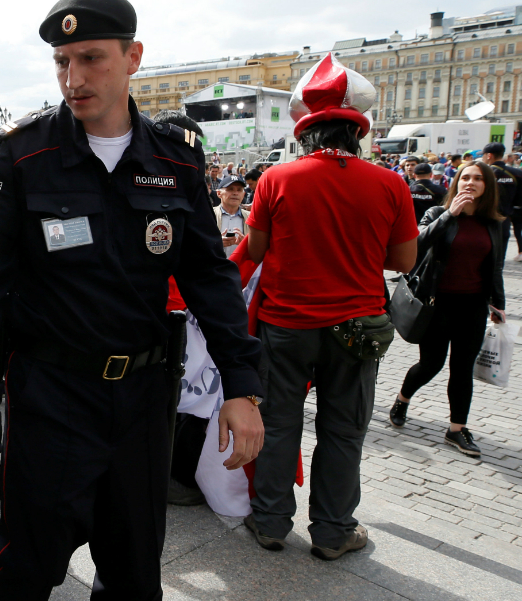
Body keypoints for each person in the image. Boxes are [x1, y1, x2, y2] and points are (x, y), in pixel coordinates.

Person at [0, 0, 265, 600]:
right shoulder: (22, 154)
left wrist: (243, 386)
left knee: (134, 571)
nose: (74, 78)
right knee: (24, 569)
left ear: (133, 56)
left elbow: (211, 279)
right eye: (62, 62)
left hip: (144, 402)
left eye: (91, 58)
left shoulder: (178, 160)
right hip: (50, 397)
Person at [244, 54, 417, 561]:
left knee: (279, 424)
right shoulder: (391, 183)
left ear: (306, 134)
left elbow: (255, 250)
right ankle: (333, 530)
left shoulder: (278, 180)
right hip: (356, 326)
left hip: (286, 323)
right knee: (343, 429)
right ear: (357, 133)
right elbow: (402, 259)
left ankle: (272, 521)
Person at [390, 162, 506, 458]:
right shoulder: (437, 214)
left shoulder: (494, 223)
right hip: (436, 305)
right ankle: (403, 398)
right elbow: (417, 246)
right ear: (456, 183)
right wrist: (450, 214)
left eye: (478, 179)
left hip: (473, 307)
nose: (470, 183)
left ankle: (456, 429)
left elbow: (496, 268)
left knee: (462, 369)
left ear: (486, 186)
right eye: (465, 177)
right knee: (431, 365)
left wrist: (499, 304)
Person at [480, 142, 521, 260]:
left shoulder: (480, 173)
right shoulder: (517, 173)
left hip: (483, 220)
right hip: (504, 220)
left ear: (489, 156)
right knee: (498, 260)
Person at [214, 175, 249, 257]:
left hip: (240, 268)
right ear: (219, 193)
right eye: (230, 189)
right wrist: (215, 243)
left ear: (243, 195)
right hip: (213, 268)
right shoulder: (208, 215)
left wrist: (246, 245)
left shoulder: (251, 218)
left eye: (239, 190)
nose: (235, 193)